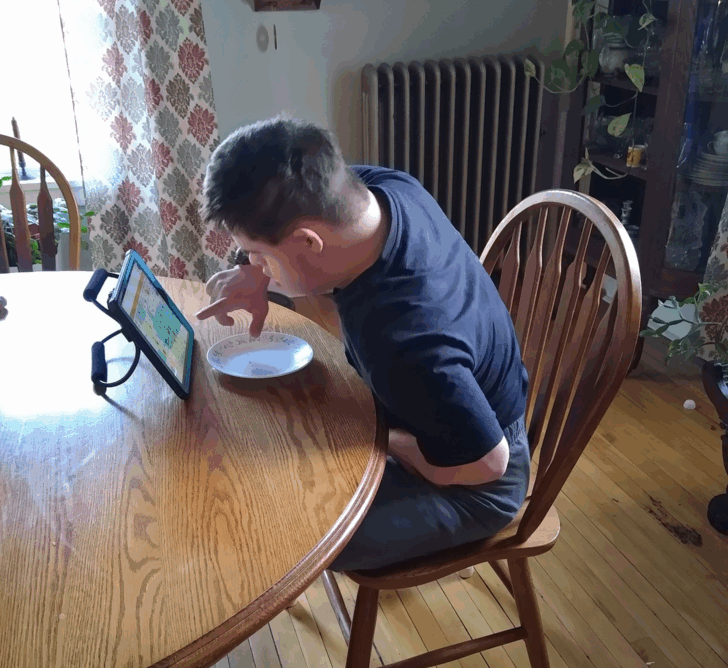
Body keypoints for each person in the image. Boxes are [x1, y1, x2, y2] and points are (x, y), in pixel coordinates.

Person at [197, 116, 530, 572]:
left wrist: (384, 442)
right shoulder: (383, 190)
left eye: (258, 254)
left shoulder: (403, 344)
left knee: (297, 535)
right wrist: (258, 273)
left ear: (307, 242)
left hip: (479, 477)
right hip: (452, 404)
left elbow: (489, 464)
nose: (252, 264)